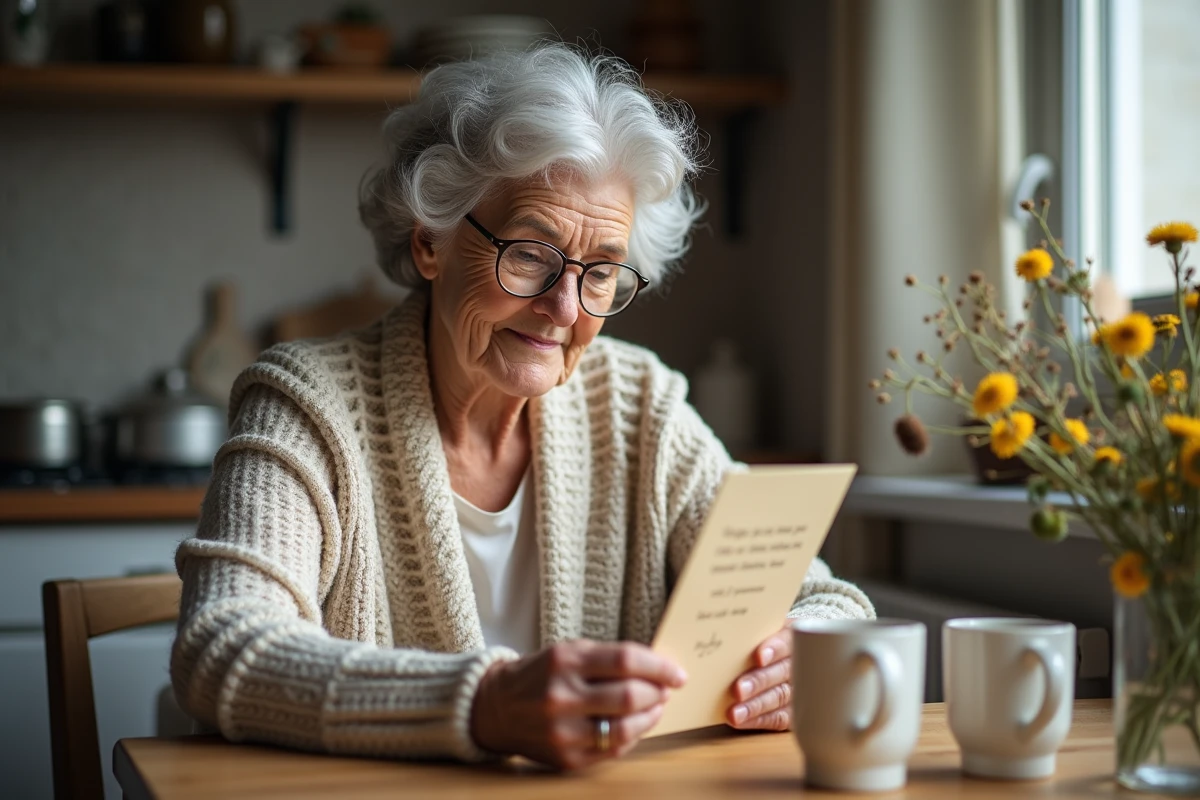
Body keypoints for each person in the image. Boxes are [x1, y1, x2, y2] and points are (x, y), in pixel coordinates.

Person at [171, 43, 874, 771]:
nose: (563, 309)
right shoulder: (305, 403)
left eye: (600, 271)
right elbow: (223, 648)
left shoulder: (641, 404)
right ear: (430, 242)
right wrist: (486, 704)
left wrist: (800, 649)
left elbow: (826, 596)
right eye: (531, 255)